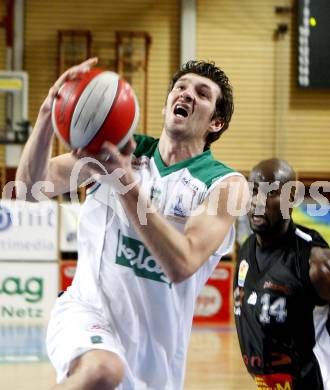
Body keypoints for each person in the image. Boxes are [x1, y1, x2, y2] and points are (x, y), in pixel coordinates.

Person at [16, 58, 248, 389]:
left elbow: (182, 262)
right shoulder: (118, 148)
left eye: (202, 93)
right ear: (168, 103)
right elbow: (27, 189)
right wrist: (47, 117)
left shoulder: (225, 184)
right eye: (180, 88)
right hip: (86, 314)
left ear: (216, 122)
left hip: (156, 360)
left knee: (111, 371)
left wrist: (125, 184)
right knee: (103, 369)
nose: (186, 94)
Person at [233, 158, 330, 390]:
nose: (258, 201)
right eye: (254, 190)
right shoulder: (246, 250)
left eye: (270, 193)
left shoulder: (316, 262)